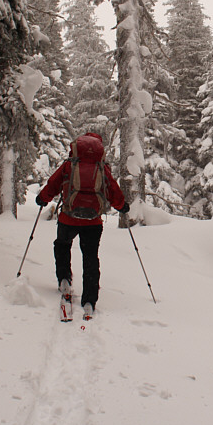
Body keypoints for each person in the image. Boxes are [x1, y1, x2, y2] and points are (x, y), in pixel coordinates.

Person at [36, 133, 129, 315]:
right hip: (93, 222)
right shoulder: (102, 168)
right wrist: (122, 206)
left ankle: (64, 279)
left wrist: (42, 199)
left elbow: (53, 185)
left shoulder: (69, 165)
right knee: (90, 257)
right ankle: (89, 300)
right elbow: (113, 191)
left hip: (68, 218)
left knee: (62, 245)